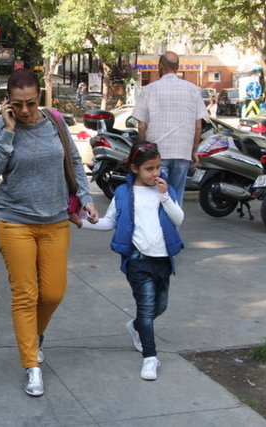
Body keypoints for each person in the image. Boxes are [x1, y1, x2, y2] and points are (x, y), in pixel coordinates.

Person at [0, 68, 99, 397]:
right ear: (8, 101)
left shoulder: (55, 121)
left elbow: (74, 161)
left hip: (55, 221)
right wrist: (8, 132)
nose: (24, 110)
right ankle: (31, 364)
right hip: (15, 221)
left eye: (31, 103)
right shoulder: (1, 125)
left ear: (40, 98)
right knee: (25, 295)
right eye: (17, 104)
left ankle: (33, 337)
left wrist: (86, 199)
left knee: (53, 293)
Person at [73, 142, 184, 380]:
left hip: (163, 259)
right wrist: (83, 222)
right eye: (149, 168)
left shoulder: (165, 190)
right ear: (134, 168)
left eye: (158, 167)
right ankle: (150, 358)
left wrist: (165, 197)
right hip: (137, 259)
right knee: (146, 308)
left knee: (160, 306)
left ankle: (135, 326)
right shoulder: (124, 193)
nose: (155, 173)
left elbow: (178, 220)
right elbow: (109, 222)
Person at [132, 51, 207, 206]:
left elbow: (142, 125)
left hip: (156, 154)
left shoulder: (149, 90)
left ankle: (157, 222)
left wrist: (143, 151)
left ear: (160, 66)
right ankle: (174, 222)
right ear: (177, 67)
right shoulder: (193, 89)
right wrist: (194, 151)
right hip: (182, 153)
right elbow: (198, 126)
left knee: (156, 198)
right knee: (175, 199)